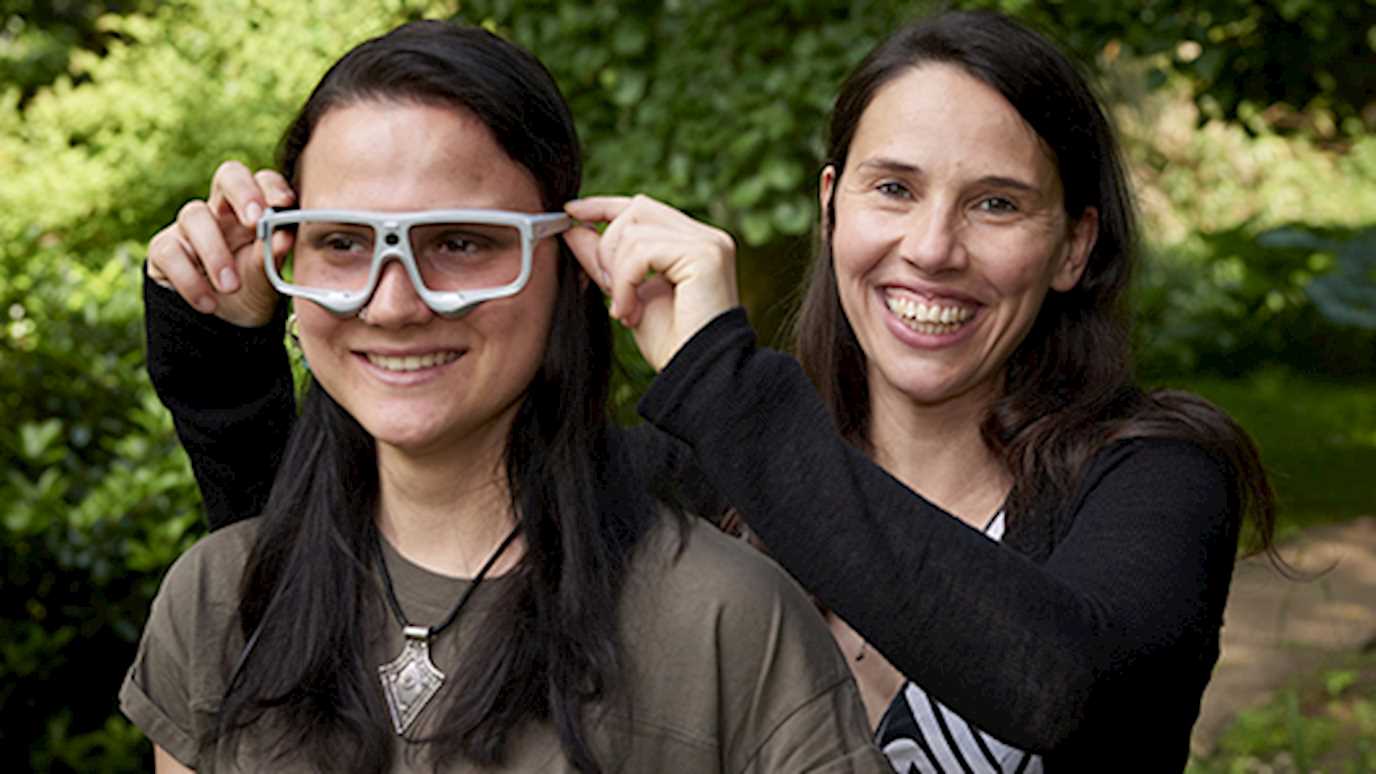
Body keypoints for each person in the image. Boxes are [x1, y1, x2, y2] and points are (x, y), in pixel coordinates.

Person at [143, 11, 1278, 773]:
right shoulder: (689, 479)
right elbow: (333, 578)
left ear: (1073, 245)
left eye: (995, 204)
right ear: (830, 206)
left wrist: (722, 378)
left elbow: (1067, 692)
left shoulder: (1151, 475)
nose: (932, 248)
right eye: (892, 189)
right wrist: (223, 349)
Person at [121, 19, 887, 774]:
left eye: (460, 243)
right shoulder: (216, 597)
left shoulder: (727, 620)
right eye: (344, 242)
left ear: (568, 264)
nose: (393, 304)